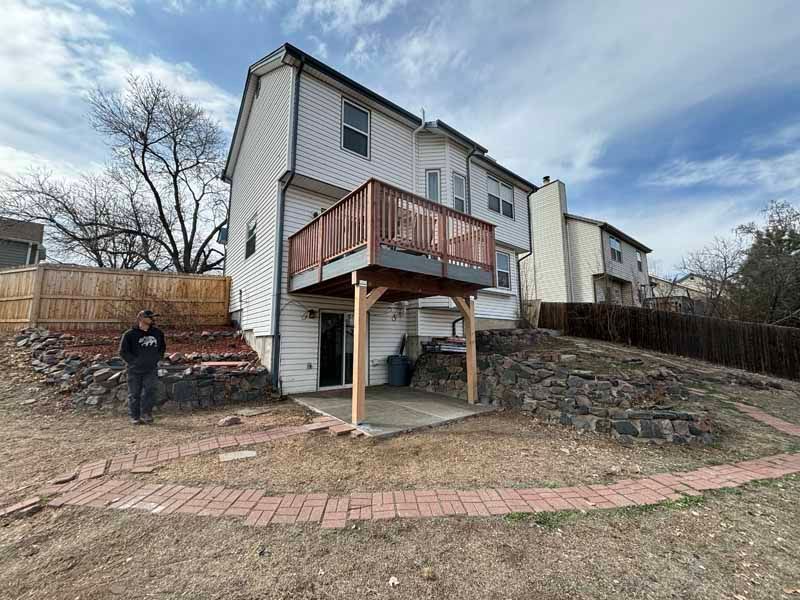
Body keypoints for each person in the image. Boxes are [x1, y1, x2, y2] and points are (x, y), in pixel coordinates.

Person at [119, 310, 166, 425]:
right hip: (134, 370)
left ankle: (146, 414)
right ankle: (135, 416)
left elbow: (162, 347)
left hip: (151, 368)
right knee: (134, 393)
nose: (153, 319)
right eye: (150, 317)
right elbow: (123, 352)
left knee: (150, 391)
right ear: (141, 318)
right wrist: (134, 362)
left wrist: (156, 358)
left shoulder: (158, 333)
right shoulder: (129, 334)